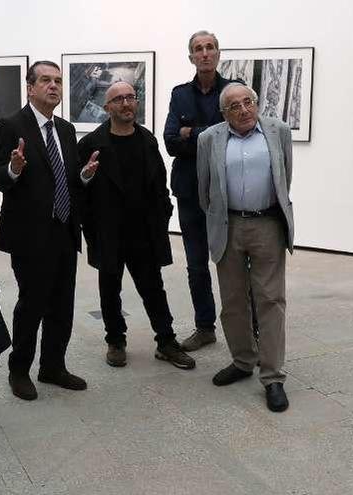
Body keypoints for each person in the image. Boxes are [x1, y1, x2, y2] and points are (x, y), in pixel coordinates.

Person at [0, 60, 95, 401]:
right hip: (29, 233)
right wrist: (13, 168)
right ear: (30, 87)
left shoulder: (65, 129)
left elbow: (67, 178)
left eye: (58, 81)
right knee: (31, 303)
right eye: (46, 80)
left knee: (62, 305)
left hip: (63, 228)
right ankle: (19, 370)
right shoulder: (10, 125)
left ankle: (53, 366)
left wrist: (83, 177)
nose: (54, 86)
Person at [77, 81, 195, 369]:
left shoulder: (146, 139)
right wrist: (85, 177)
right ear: (107, 108)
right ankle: (115, 340)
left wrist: (163, 212)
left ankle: (166, 341)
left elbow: (159, 183)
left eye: (130, 97)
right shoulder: (91, 144)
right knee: (110, 289)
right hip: (109, 230)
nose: (126, 103)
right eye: (118, 99)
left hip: (144, 230)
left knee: (154, 288)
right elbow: (78, 187)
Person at [197, 82, 295, 413]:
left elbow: (285, 179)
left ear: (256, 103)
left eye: (248, 102)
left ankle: (273, 377)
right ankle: (242, 361)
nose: (243, 110)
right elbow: (204, 189)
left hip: (267, 224)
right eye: (234, 106)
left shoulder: (278, 131)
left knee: (270, 300)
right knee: (233, 301)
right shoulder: (209, 139)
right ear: (224, 113)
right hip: (229, 225)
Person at [164, 30, 241, 351]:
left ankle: (245, 328)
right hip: (189, 191)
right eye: (199, 49)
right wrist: (211, 133)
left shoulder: (235, 92)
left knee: (235, 263)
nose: (205, 53)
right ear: (191, 57)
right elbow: (170, 141)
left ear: (218, 53)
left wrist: (190, 133)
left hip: (228, 190)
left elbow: (237, 136)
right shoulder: (180, 94)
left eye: (210, 47)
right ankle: (205, 327)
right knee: (196, 265)